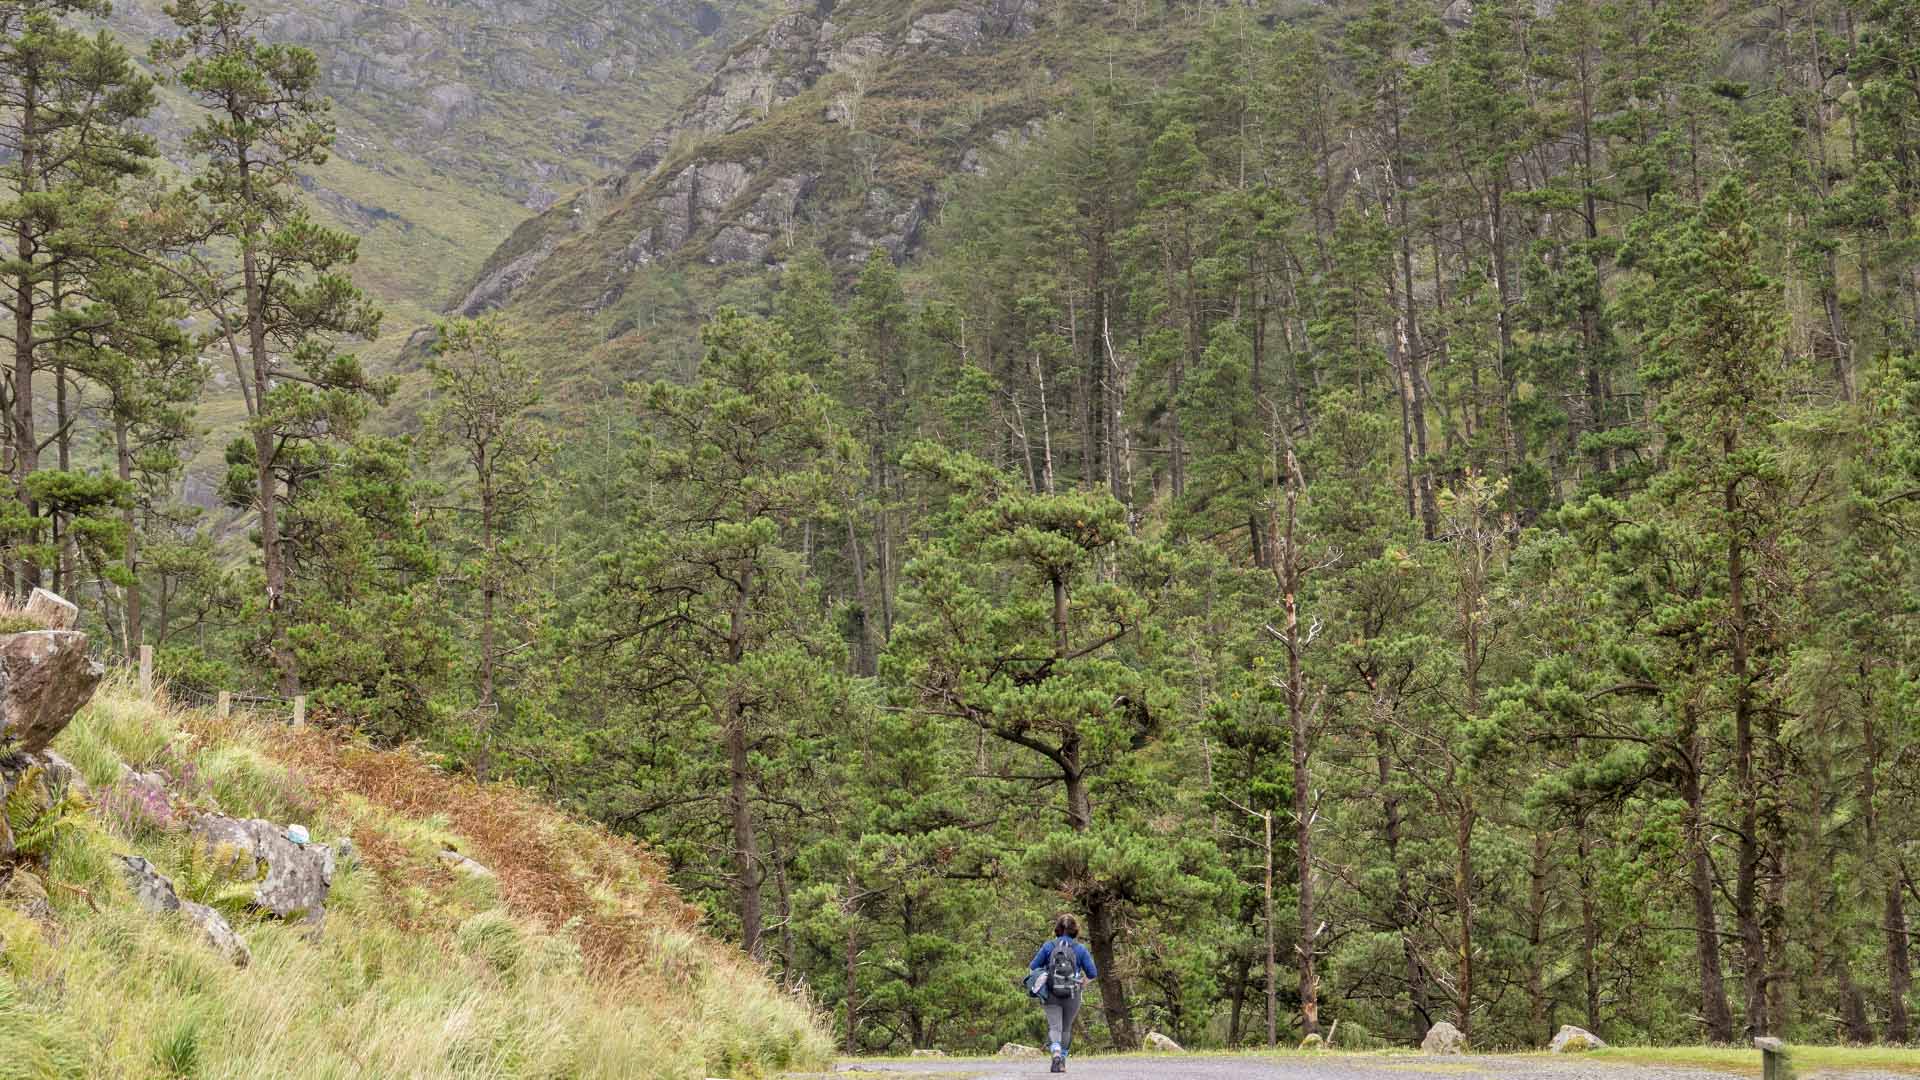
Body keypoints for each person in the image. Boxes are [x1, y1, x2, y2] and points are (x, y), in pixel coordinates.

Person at [1028, 914, 1097, 1073]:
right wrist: (1081, 984)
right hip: (1073, 994)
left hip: (1051, 994)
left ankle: (1056, 1054)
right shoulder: (1080, 949)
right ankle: (1062, 1063)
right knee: (1066, 1028)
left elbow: (1033, 967)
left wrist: (1044, 978)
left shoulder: (1048, 946)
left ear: (1058, 929)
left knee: (1055, 1027)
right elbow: (1092, 973)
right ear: (1075, 930)